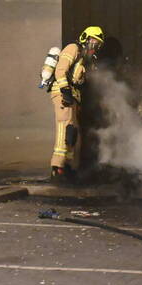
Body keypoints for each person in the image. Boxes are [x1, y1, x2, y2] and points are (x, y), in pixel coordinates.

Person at [49, 25, 105, 182]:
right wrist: (65, 91)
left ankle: (68, 167)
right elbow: (60, 70)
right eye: (93, 43)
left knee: (74, 133)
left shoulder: (84, 58)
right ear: (85, 39)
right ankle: (57, 167)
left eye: (97, 45)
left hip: (73, 96)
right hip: (62, 93)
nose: (95, 47)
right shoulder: (72, 48)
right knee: (65, 127)